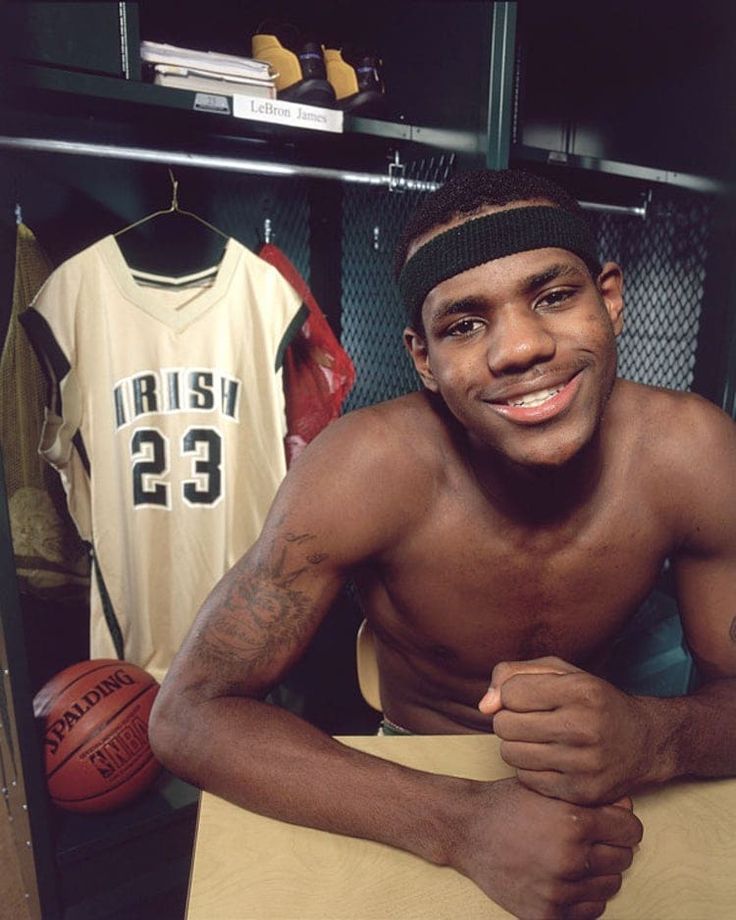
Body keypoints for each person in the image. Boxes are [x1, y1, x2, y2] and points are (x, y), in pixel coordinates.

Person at [149, 169, 736, 920]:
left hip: (610, 763)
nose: (521, 348)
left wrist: (657, 737)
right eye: (464, 324)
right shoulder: (366, 468)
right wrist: (462, 824)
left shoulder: (693, 454)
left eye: (554, 296)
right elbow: (187, 714)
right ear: (423, 358)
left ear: (610, 298)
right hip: (415, 770)